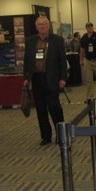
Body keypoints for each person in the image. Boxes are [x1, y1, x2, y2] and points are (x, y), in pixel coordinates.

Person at [23, 14, 68, 146]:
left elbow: (62, 61)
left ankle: (61, 135)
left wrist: (63, 78)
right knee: (41, 109)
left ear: (48, 26)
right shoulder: (30, 41)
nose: (42, 27)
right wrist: (26, 78)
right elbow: (27, 61)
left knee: (55, 108)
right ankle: (46, 136)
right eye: (39, 25)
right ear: (36, 27)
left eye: (44, 24)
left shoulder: (57, 40)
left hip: (52, 79)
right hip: (37, 79)